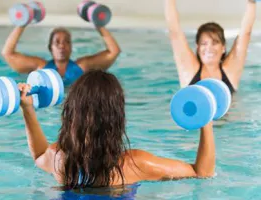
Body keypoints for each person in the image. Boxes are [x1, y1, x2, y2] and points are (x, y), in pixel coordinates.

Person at [17, 70, 215, 189]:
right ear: (116, 118)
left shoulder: (59, 159)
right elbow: (201, 172)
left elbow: (38, 156)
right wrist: (206, 120)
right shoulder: (134, 164)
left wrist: (27, 109)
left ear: (71, 112)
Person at [164, 0, 258, 93]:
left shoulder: (230, 72)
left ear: (223, 47)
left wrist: (252, 2)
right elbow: (174, 32)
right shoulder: (189, 72)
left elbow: (246, 34)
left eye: (215, 42)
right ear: (198, 48)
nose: (209, 48)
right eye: (204, 43)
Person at [1, 25, 121, 86]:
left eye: (66, 42)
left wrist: (98, 24)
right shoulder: (40, 67)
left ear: (71, 47)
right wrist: (22, 24)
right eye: (57, 42)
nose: (62, 46)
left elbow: (114, 51)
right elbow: (8, 53)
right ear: (50, 47)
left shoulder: (83, 66)